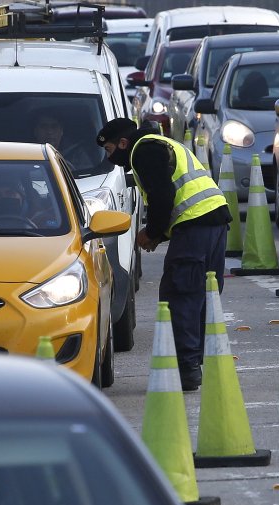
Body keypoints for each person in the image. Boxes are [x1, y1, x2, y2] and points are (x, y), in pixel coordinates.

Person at [96, 118, 231, 391]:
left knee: (179, 294)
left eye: (110, 150)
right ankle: (195, 363)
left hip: (195, 225)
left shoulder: (142, 150)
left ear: (123, 143)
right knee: (203, 294)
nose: (111, 157)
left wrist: (153, 233)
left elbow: (163, 195)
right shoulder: (161, 143)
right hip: (213, 221)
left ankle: (186, 368)